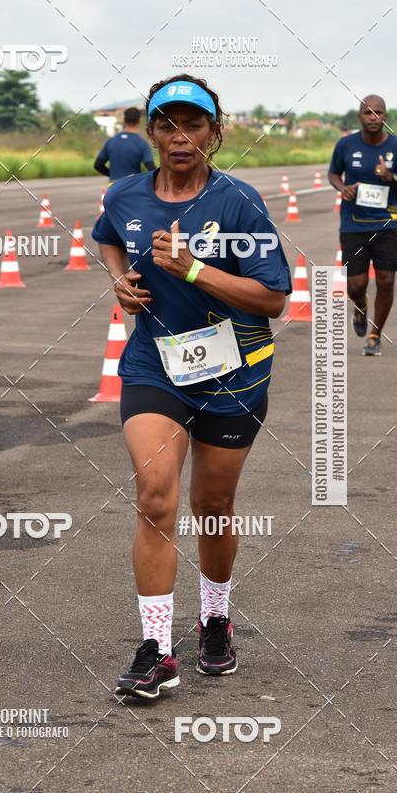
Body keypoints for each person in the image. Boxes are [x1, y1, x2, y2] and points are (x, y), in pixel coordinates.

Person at [91, 74, 292, 700]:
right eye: (168, 125)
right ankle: (156, 648)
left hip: (235, 371)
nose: (181, 137)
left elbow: (274, 298)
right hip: (155, 366)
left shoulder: (239, 202)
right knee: (155, 495)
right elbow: (108, 241)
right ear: (150, 132)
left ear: (215, 132)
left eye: (194, 125)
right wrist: (121, 281)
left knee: (213, 507)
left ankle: (214, 619)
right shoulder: (125, 196)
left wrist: (194, 268)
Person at [328, 95, 397, 357]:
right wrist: (342, 188)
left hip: (387, 225)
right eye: (368, 112)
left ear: (385, 117)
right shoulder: (345, 145)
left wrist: (391, 178)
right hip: (353, 226)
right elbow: (333, 173)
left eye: (378, 112)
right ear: (360, 117)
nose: (373, 117)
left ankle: (375, 334)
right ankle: (360, 307)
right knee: (356, 287)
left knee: (386, 282)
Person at [94, 107, 155, 182]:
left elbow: (98, 165)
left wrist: (113, 175)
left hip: (113, 187)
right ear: (138, 121)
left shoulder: (111, 141)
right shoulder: (142, 143)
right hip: (132, 186)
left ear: (124, 120)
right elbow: (151, 168)